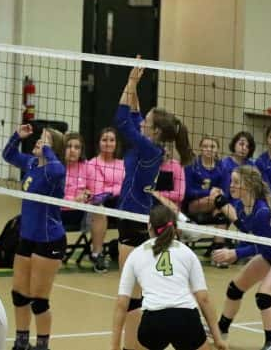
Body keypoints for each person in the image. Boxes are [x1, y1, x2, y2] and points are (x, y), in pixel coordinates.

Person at [114, 66, 193, 350]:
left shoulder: (149, 150)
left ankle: (134, 347)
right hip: (131, 216)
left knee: (133, 297)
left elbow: (121, 120)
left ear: (156, 130)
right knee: (133, 294)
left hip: (132, 219)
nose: (142, 120)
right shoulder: (148, 144)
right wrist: (133, 83)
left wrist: (131, 81)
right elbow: (133, 115)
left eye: (148, 120)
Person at [212, 165, 271, 350]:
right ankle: (221, 330)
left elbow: (263, 243)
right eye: (232, 181)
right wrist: (224, 207)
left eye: (236, 182)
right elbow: (248, 232)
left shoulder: (262, 210)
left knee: (263, 296)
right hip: (270, 252)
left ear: (249, 186)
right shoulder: (240, 205)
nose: (231, 186)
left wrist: (235, 253)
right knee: (234, 289)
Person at [111, 205, 227, 350]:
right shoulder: (187, 252)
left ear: (149, 226)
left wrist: (115, 346)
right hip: (186, 319)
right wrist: (217, 338)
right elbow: (203, 299)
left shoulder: (137, 254)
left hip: (153, 321)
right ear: (175, 227)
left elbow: (122, 304)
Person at [2, 124, 66, 350]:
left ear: (54, 148)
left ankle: (42, 345)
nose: (39, 141)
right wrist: (17, 137)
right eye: (40, 138)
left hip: (49, 240)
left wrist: (49, 150)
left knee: (39, 301)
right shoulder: (31, 163)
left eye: (45, 139)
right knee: (19, 294)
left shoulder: (54, 171)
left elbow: (58, 170)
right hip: (27, 236)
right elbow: (7, 155)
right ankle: (21, 343)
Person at [84, 127, 125, 272]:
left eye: (112, 140)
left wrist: (113, 189)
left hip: (119, 203)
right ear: (99, 143)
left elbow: (126, 186)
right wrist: (117, 188)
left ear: (116, 143)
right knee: (99, 210)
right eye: (104, 140)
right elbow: (98, 191)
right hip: (99, 204)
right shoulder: (92, 164)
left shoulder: (122, 164)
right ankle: (97, 254)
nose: (108, 143)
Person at [184, 136, 229, 265]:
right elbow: (187, 192)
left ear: (217, 150)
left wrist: (216, 194)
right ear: (200, 148)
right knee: (222, 204)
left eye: (212, 147)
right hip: (193, 205)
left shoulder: (221, 167)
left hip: (215, 205)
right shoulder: (192, 165)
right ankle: (218, 249)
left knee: (222, 215)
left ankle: (217, 248)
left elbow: (225, 189)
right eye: (205, 146)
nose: (209, 149)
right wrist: (208, 193)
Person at [217, 131, 256, 203]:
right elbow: (225, 192)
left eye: (248, 146)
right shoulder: (224, 164)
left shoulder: (252, 165)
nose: (244, 148)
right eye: (241, 144)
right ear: (234, 144)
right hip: (231, 202)